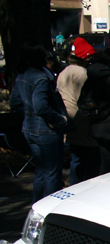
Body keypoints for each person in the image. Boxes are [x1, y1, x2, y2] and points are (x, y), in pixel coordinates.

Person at [10, 44, 71, 202]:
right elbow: (41, 106)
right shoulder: (41, 78)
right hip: (46, 130)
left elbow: (15, 103)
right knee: (51, 174)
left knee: (41, 172)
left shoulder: (22, 75)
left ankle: (37, 204)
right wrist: (60, 119)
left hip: (29, 128)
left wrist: (29, 113)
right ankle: (50, 207)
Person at [57, 37, 100, 184]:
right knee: (90, 159)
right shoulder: (82, 73)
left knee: (76, 158)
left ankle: (74, 185)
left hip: (68, 119)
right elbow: (88, 98)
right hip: (82, 120)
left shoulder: (64, 72)